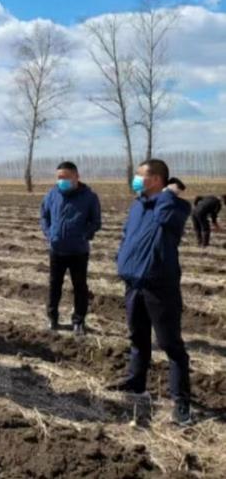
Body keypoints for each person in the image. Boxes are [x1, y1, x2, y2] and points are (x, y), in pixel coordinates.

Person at [113, 159, 193, 426]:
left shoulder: (175, 207)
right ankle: (136, 383)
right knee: (138, 337)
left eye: (141, 175)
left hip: (160, 286)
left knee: (171, 344)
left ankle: (181, 401)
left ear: (157, 180)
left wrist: (169, 194)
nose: (136, 179)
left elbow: (164, 218)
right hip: (134, 283)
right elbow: (128, 235)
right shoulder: (138, 206)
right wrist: (121, 258)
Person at [40, 161, 102, 335]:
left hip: (78, 251)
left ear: (76, 176)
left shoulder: (89, 197)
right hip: (56, 249)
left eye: (66, 177)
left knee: (80, 287)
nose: (62, 180)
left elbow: (96, 222)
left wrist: (84, 234)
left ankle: (78, 321)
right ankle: (52, 318)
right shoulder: (52, 194)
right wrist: (49, 233)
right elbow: (44, 215)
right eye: (59, 177)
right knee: (54, 285)